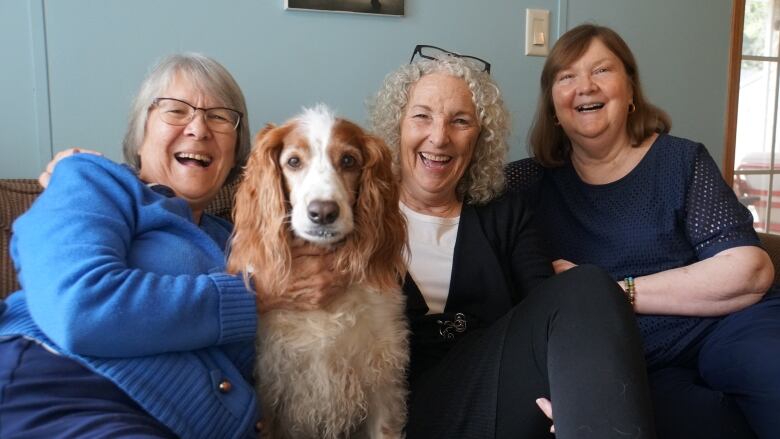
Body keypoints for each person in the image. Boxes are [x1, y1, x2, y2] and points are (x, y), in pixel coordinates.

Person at [0, 53, 342, 438]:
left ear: (237, 149)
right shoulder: (94, 182)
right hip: (62, 388)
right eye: (176, 111)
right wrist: (255, 294)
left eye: (218, 116)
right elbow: (77, 307)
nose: (198, 128)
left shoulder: (247, 240)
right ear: (141, 131)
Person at [369, 44, 657, 438]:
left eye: (460, 121)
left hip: (493, 394)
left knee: (586, 284)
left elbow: (548, 312)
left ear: (479, 139)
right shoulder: (358, 214)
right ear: (396, 125)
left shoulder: (506, 213)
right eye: (422, 116)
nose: (439, 137)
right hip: (389, 403)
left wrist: (572, 390)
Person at [508, 23, 780, 439]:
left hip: (729, 327)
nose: (585, 87)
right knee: (699, 422)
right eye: (567, 77)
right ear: (552, 106)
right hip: (637, 360)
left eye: (602, 70)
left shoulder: (681, 161)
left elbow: (750, 270)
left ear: (631, 90)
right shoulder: (527, 184)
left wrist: (617, 292)